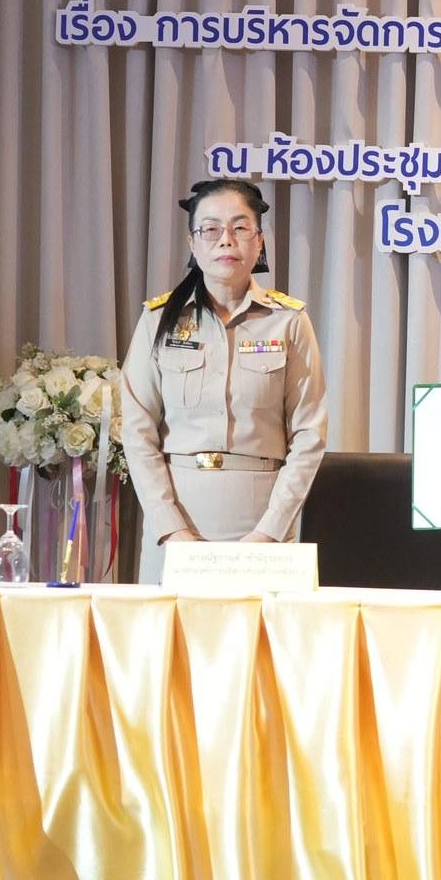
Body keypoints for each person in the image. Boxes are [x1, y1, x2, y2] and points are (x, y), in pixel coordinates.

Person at [123, 178, 328, 584]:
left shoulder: (289, 321)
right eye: (211, 229)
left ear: (259, 241)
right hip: (176, 521)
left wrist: (270, 531)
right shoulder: (157, 320)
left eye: (240, 228)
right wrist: (171, 528)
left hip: (262, 523)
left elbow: (309, 434)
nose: (226, 240)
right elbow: (137, 431)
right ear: (193, 243)